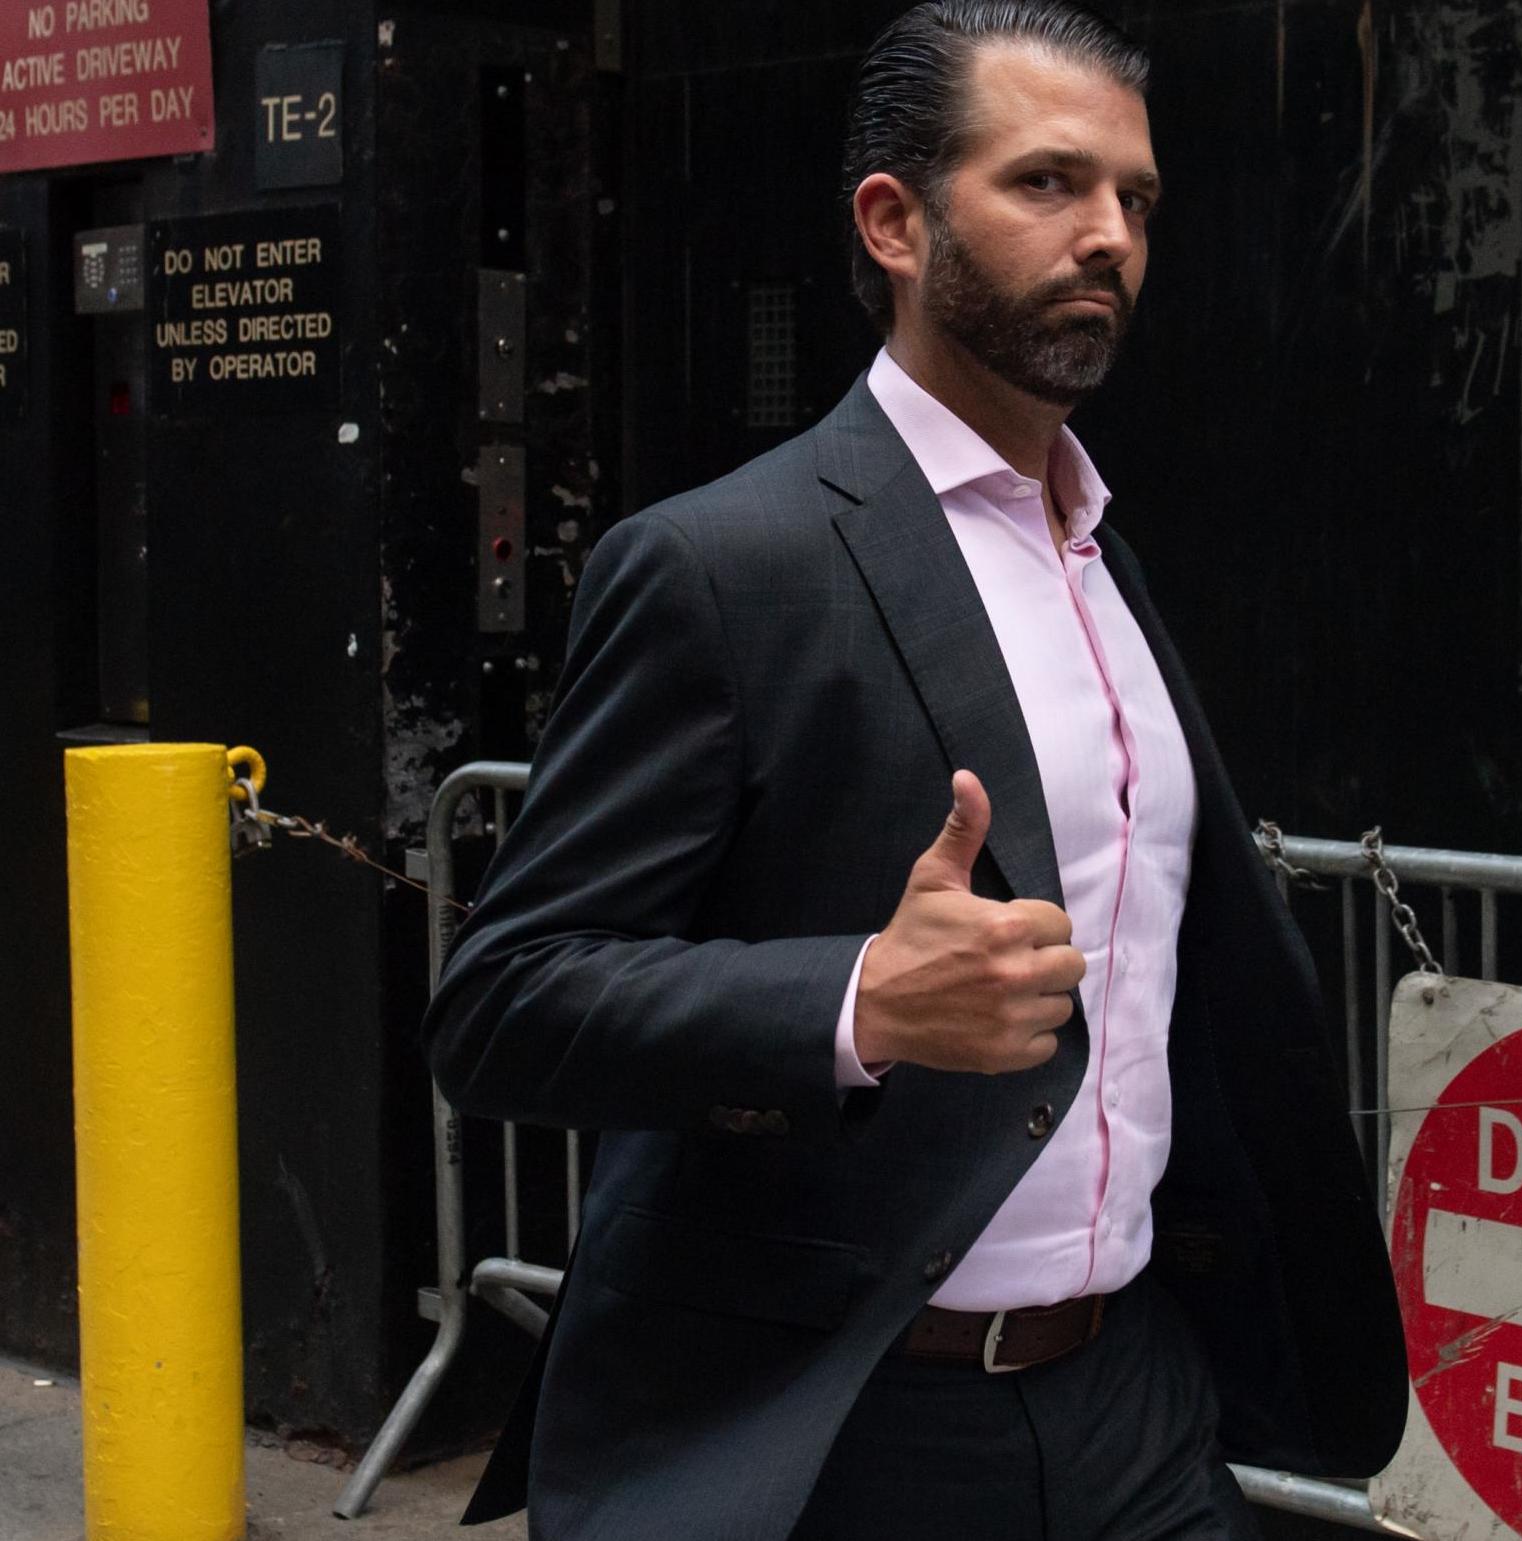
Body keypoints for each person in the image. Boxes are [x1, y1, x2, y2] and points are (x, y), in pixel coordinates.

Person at [422, 3, 1406, 1536]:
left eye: (1135, 199)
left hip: (1137, 1397)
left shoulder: (1103, 561)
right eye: (1048, 184)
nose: (1109, 237)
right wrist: (857, 1001)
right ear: (894, 221)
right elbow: (504, 1001)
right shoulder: (720, 563)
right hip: (847, 1421)